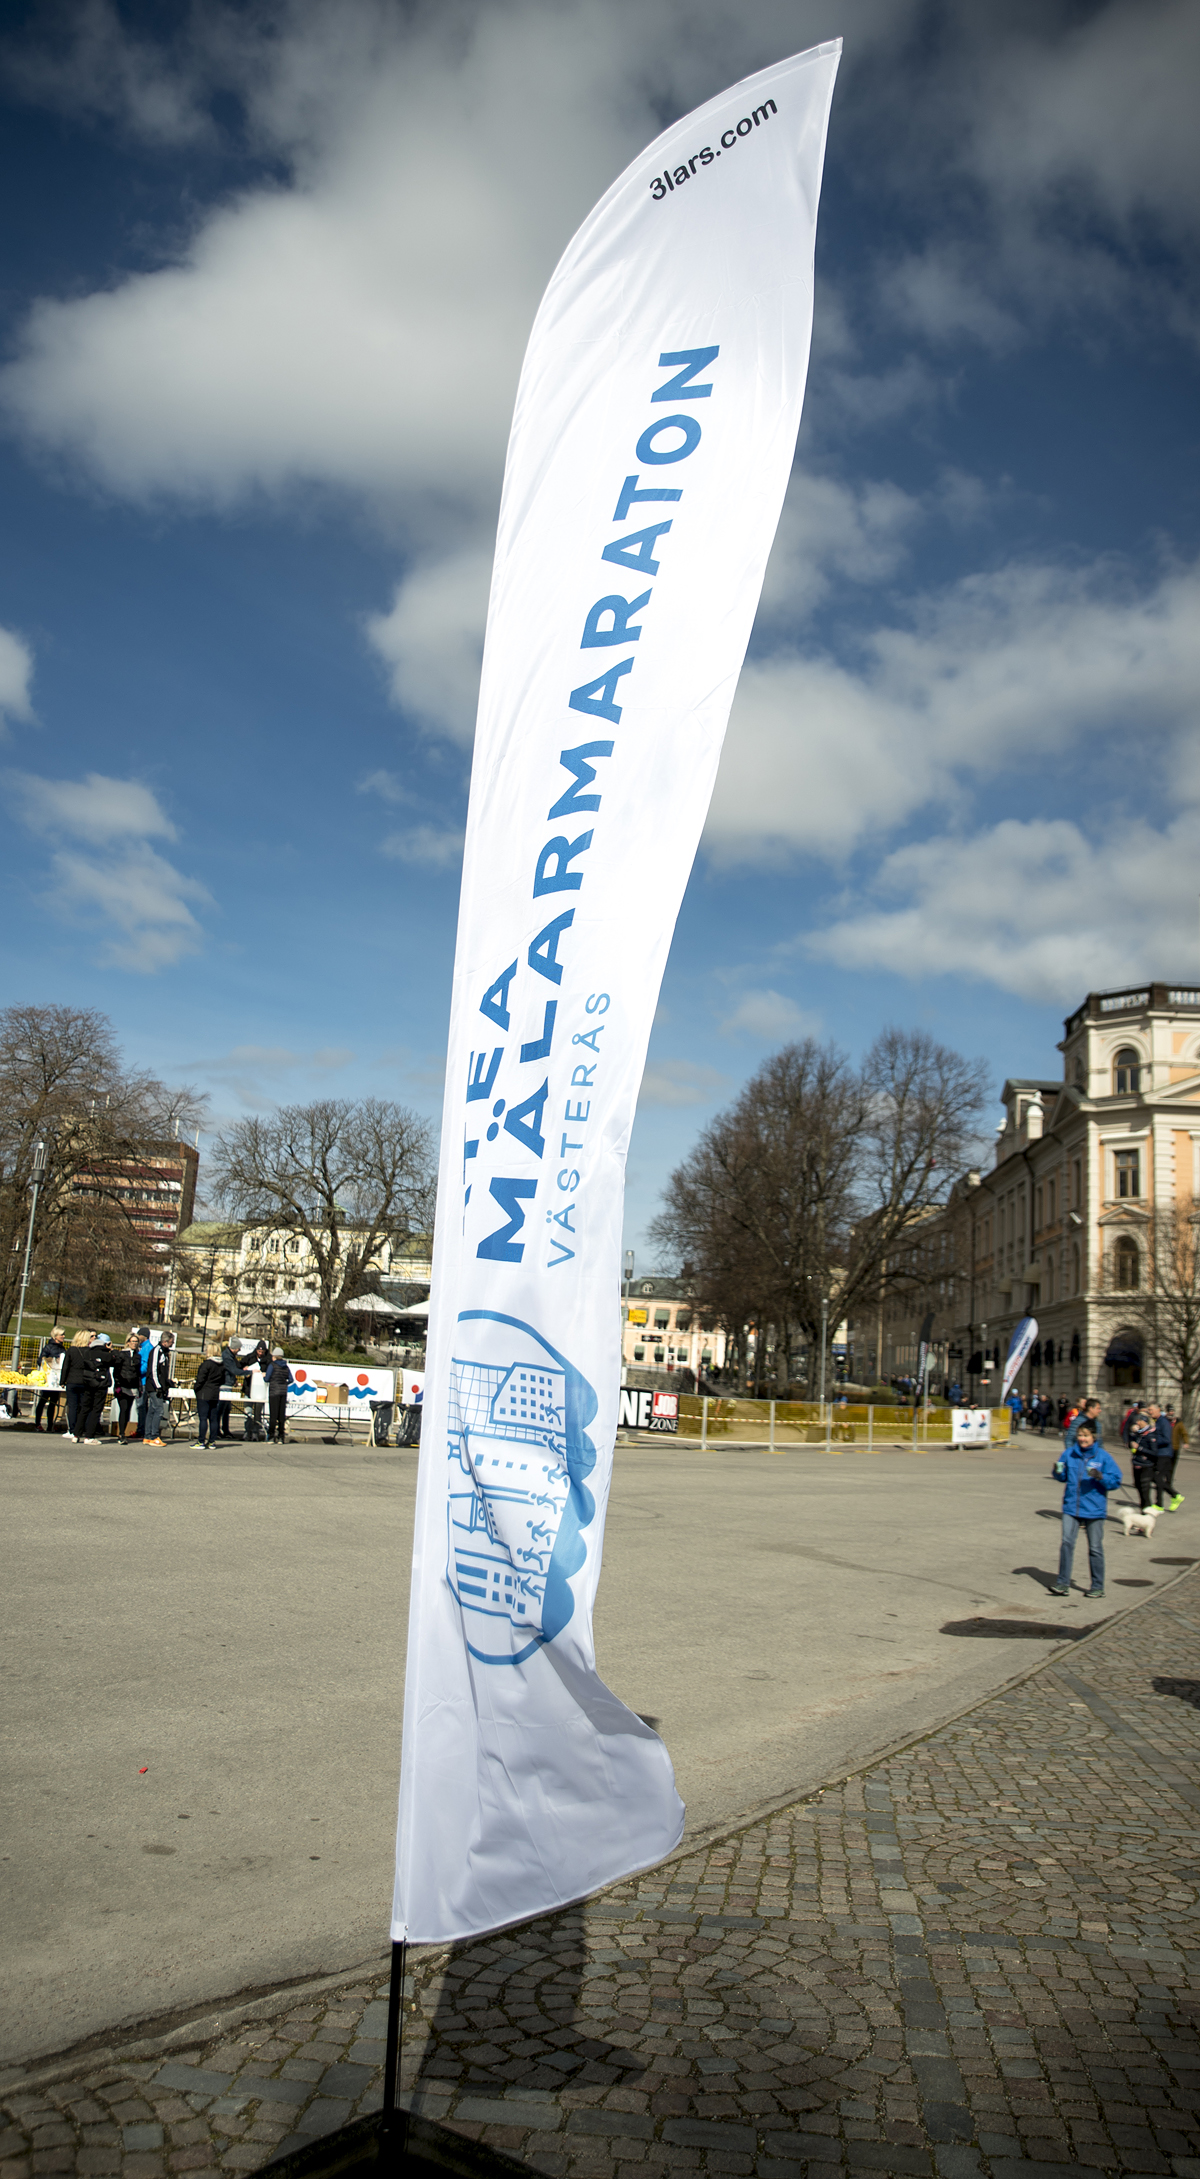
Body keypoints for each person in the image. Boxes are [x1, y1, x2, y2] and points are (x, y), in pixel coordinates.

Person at [1051, 1422, 1121, 1598]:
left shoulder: (1103, 1457)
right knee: (1066, 1544)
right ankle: (1062, 1583)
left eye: (1086, 1435)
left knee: (1095, 1548)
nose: (1082, 1439)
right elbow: (1062, 1476)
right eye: (1080, 1435)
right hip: (1071, 1507)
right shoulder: (1069, 1453)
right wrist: (1058, 1471)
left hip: (1094, 1509)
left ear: (1093, 1437)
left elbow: (1115, 1481)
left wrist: (1100, 1476)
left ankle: (1097, 1586)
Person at [61, 1329, 98, 1441]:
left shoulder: (71, 1350)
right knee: (84, 1407)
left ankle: (72, 1429)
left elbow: (65, 1366)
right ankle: (83, 1429)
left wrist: (62, 1381)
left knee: (72, 1406)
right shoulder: (90, 1351)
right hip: (85, 1381)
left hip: (72, 1380)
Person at [143, 1331, 176, 1446]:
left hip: (159, 1385)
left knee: (152, 1410)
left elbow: (163, 1372)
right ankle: (154, 1436)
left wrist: (168, 1382)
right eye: (171, 1342)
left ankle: (147, 1435)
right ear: (165, 1342)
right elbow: (153, 1370)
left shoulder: (165, 1353)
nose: (172, 1344)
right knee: (159, 1410)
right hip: (154, 1386)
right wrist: (158, 1386)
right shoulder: (157, 1351)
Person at [34, 1329, 67, 1432]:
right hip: (48, 1378)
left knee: (53, 1403)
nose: (63, 1336)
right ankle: (37, 1423)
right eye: (61, 1335)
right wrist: (52, 1361)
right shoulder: (48, 1347)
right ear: (55, 1336)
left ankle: (50, 1425)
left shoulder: (62, 1348)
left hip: (57, 1379)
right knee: (43, 1400)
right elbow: (40, 1360)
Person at [192, 1346, 225, 1447]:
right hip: (215, 1393)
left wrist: (196, 1388)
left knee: (203, 1418)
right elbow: (223, 1380)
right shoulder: (222, 1365)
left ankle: (201, 1441)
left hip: (204, 1393)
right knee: (213, 1419)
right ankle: (212, 1441)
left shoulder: (207, 1364)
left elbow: (200, 1379)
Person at [112, 1332, 142, 1439]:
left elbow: (138, 1373)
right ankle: (121, 1434)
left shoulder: (138, 1356)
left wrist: (139, 1387)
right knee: (123, 1409)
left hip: (133, 1386)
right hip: (122, 1386)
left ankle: (123, 1432)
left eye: (136, 1341)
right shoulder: (122, 1354)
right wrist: (118, 1385)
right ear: (128, 1342)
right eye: (132, 1341)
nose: (134, 1343)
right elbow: (116, 1371)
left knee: (128, 1410)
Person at [263, 1347, 294, 1443]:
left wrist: (264, 1376)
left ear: (274, 1356)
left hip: (274, 1392)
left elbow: (267, 1379)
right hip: (283, 1392)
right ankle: (281, 1436)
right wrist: (284, 1383)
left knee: (273, 1415)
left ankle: (271, 1436)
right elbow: (291, 1379)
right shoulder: (286, 1367)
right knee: (281, 1415)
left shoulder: (272, 1365)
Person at [219, 1338, 243, 1438]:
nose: (239, 1350)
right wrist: (249, 1372)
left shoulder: (231, 1356)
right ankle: (218, 1430)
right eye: (238, 1348)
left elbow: (232, 1370)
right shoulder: (227, 1357)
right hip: (225, 1385)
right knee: (221, 1409)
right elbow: (233, 1370)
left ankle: (225, 1429)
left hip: (228, 1384)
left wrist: (234, 1379)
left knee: (226, 1409)